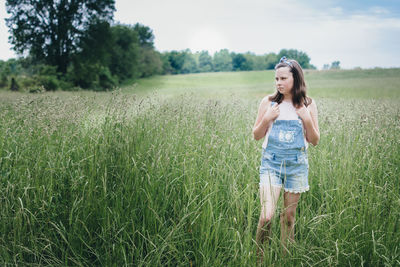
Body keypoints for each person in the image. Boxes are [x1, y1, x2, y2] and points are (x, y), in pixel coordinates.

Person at [252, 56, 320, 257]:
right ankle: (259, 257)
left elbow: (314, 140)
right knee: (266, 216)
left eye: (283, 78)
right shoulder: (269, 102)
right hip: (271, 164)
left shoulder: (308, 104)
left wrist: (306, 119)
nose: (279, 83)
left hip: (296, 166)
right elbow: (256, 135)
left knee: (288, 217)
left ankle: (285, 257)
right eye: (276, 79)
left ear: (296, 79)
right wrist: (267, 118)